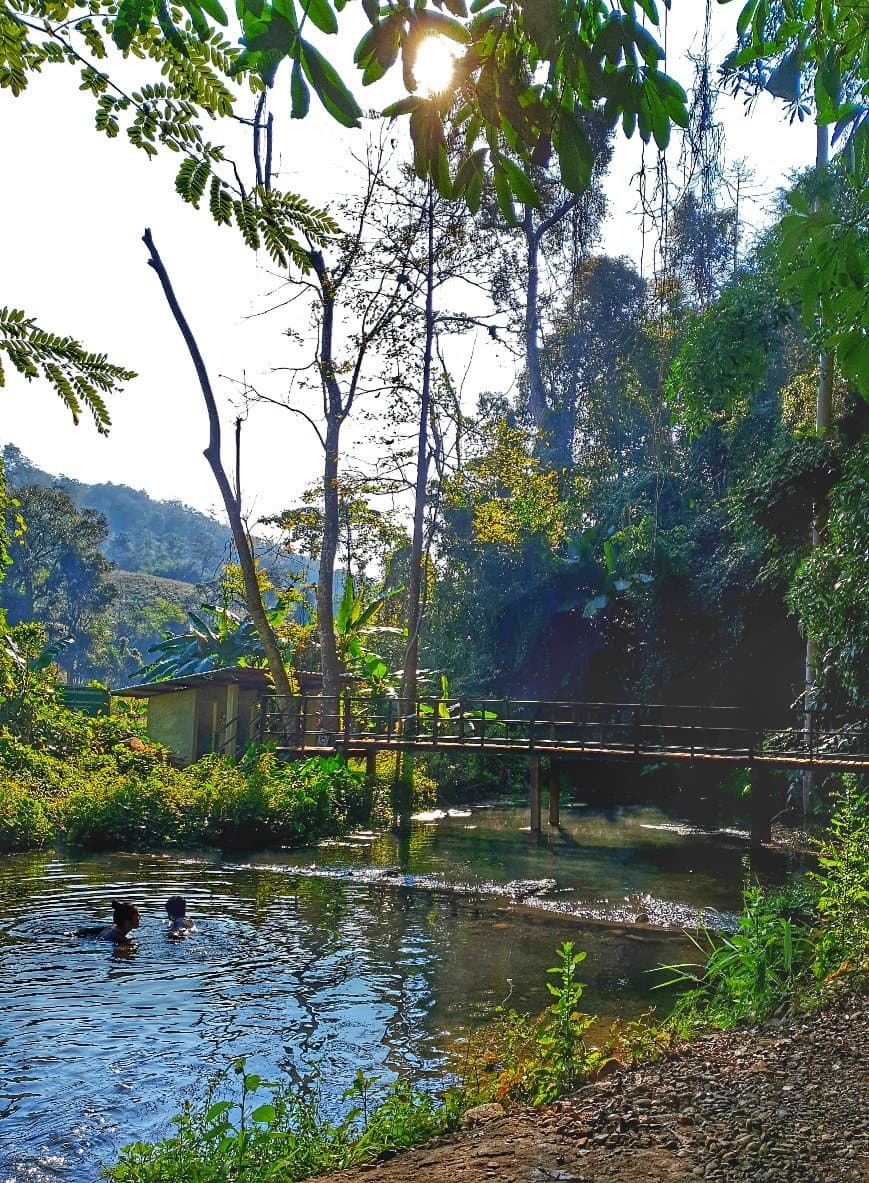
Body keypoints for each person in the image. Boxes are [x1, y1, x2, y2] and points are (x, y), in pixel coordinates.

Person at [75, 900, 140, 944]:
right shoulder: (119, 938)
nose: (139, 919)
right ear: (127, 922)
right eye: (137, 918)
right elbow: (119, 952)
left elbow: (89, 931)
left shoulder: (112, 928)